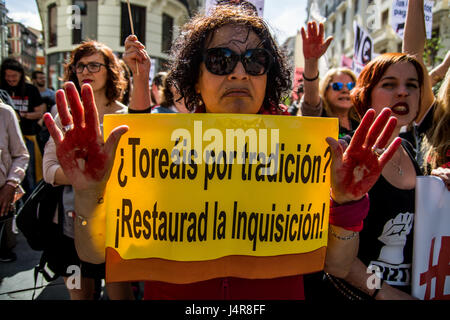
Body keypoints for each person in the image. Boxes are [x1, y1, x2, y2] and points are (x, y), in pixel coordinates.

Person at [44, 5, 401, 300]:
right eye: (220, 59)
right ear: (194, 78)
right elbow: (93, 254)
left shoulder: (301, 155)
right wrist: (89, 192)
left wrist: (347, 203)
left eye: (255, 60)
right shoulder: (154, 153)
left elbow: (338, 265)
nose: (239, 73)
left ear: (268, 75)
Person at [306, 52, 425, 300]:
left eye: (412, 85)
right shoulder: (346, 157)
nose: (403, 92)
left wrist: (439, 183)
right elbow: (339, 263)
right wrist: (382, 291)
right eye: (389, 84)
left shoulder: (414, 152)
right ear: (365, 94)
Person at [42, 40, 134, 300]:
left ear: (111, 71)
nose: (86, 71)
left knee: (120, 295)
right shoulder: (63, 117)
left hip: (116, 226)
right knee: (79, 294)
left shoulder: (126, 117)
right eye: (80, 66)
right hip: (70, 228)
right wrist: (83, 178)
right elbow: (48, 170)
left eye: (94, 65)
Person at [300, 21, 360, 138]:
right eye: (337, 86)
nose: (345, 90)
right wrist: (312, 62)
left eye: (350, 86)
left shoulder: (361, 123)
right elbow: (311, 101)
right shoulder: (319, 117)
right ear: (325, 92)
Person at [0, 58, 45, 196]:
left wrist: (22, 116)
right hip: (5, 140)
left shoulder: (30, 89)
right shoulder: (2, 89)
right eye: (8, 76)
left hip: (27, 136)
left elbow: (41, 111)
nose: (11, 79)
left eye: (14, 76)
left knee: (29, 175)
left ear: (20, 75)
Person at [0, 98, 29, 262]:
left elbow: (21, 155)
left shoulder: (5, 113)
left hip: (2, 198)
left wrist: (11, 184)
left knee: (6, 246)